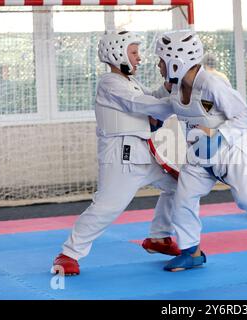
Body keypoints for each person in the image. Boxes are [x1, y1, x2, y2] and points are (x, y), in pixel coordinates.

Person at [106, 30, 247, 272]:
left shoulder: (211, 84)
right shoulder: (174, 88)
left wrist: (219, 137)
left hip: (230, 153)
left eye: (161, 61)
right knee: (183, 198)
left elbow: (242, 114)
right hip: (198, 156)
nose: (158, 65)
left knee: (246, 199)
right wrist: (125, 99)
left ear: (177, 61)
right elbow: (154, 103)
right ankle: (192, 252)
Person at [52, 31, 180, 276]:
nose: (139, 58)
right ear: (117, 54)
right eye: (134, 53)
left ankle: (160, 237)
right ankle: (69, 253)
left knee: (178, 185)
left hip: (143, 153)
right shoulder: (109, 82)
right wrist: (178, 104)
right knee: (106, 208)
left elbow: (149, 97)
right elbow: (138, 104)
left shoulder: (128, 82)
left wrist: (168, 87)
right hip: (121, 157)